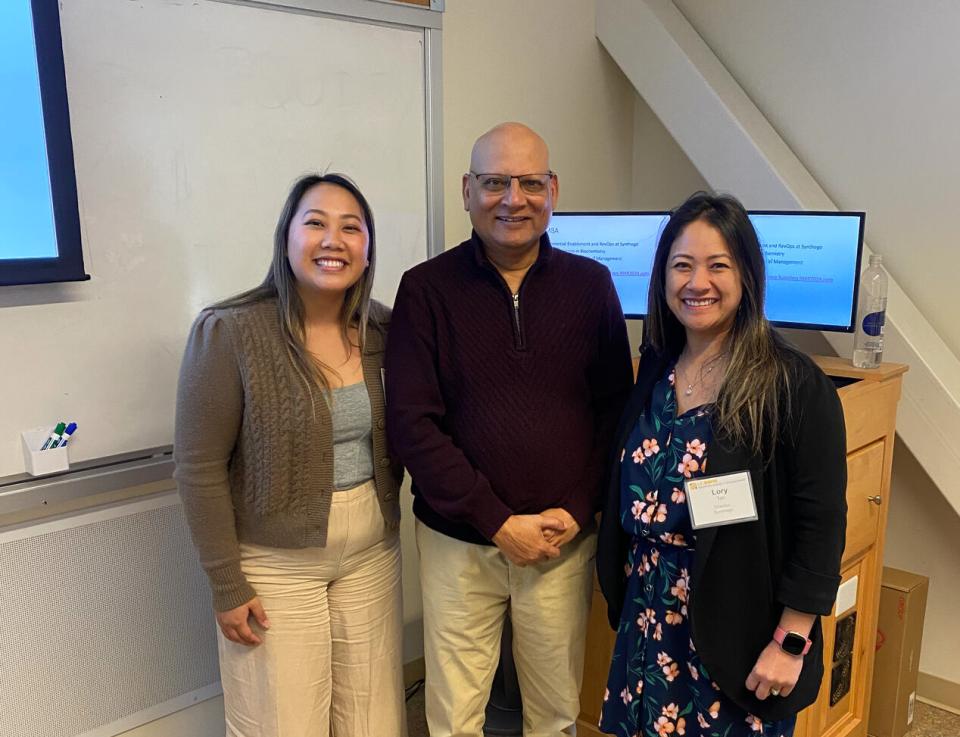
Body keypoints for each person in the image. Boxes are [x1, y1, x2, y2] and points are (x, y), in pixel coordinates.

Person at [385, 122, 634, 737]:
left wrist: (578, 510)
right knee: (454, 716)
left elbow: (613, 416)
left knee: (553, 714)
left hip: (560, 541)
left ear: (553, 190)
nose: (512, 199)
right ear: (468, 190)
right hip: (458, 542)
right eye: (495, 182)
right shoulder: (425, 289)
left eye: (528, 183)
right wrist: (495, 520)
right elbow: (412, 425)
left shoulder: (591, 286)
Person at [596, 192, 848, 737]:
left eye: (717, 266)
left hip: (738, 635)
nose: (697, 282)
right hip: (646, 624)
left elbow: (821, 527)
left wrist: (791, 642)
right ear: (662, 278)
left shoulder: (792, 385)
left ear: (747, 276)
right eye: (681, 265)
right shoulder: (657, 370)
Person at [174, 173, 405, 737]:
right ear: (286, 239)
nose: (334, 240)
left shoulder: (382, 326)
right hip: (275, 564)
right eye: (316, 223)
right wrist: (227, 582)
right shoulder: (230, 331)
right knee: (283, 721)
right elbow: (199, 468)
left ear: (368, 245)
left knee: (373, 720)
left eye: (352, 227)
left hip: (371, 552)